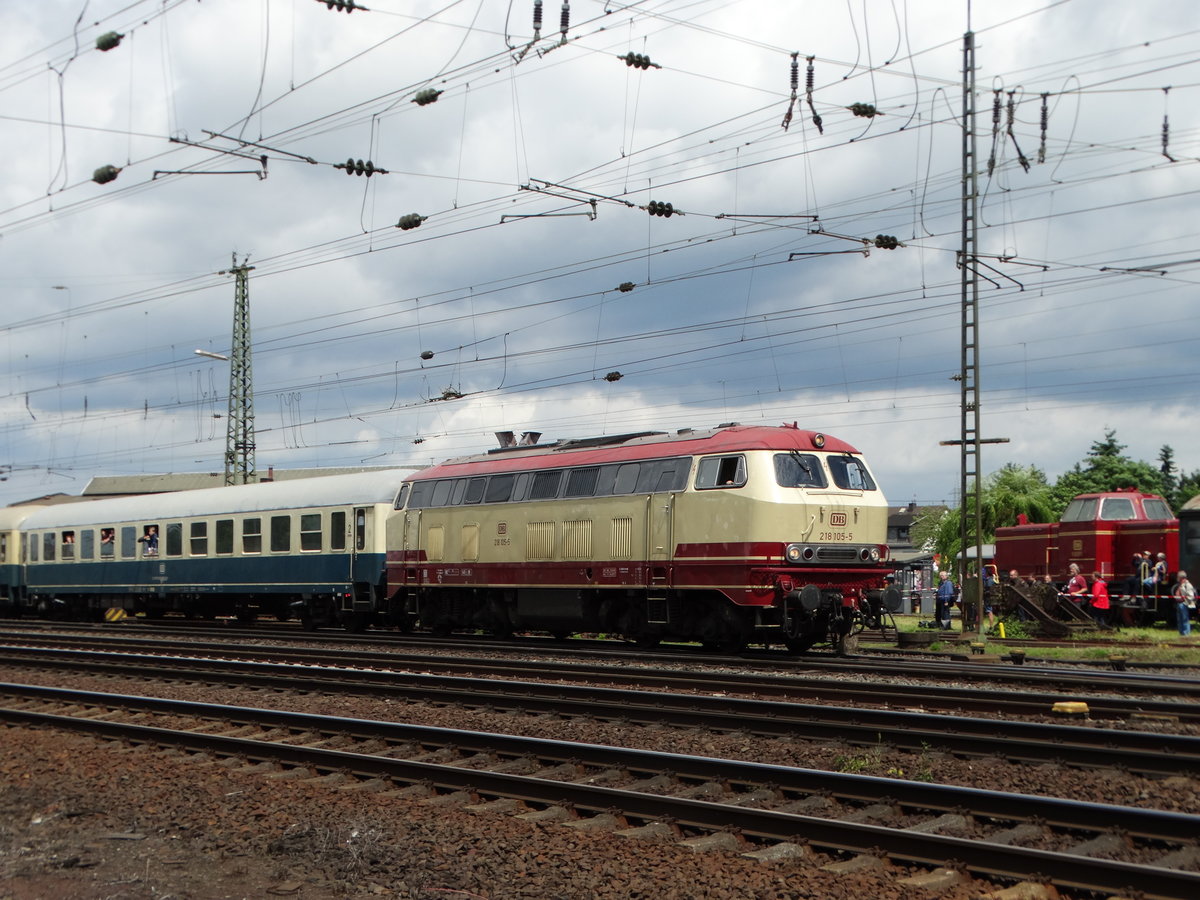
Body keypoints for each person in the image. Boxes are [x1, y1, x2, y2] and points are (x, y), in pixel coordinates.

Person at [1173, 571, 1195, 636]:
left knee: (1185, 619)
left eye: (1178, 576)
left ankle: (1186, 634)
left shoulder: (1187, 585)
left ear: (1181, 577)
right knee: (1180, 620)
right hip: (1179, 604)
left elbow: (1191, 596)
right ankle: (1181, 634)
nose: (1177, 578)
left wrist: (1184, 601)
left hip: (1184, 604)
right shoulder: (1180, 585)